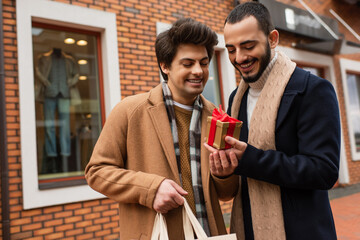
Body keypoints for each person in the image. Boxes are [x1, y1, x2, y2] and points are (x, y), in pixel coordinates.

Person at [204, 2, 340, 240]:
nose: (239, 57)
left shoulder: (312, 90)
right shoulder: (237, 97)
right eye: (231, 49)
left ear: (273, 39)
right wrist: (224, 170)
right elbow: (240, 174)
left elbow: (324, 171)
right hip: (250, 230)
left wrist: (249, 158)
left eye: (248, 46)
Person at [85, 18, 231, 239]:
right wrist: (151, 188)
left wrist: (224, 174)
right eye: (187, 63)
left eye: (203, 62)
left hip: (208, 233)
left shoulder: (217, 116)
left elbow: (226, 193)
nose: (198, 71)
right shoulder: (130, 110)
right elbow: (96, 172)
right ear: (165, 66)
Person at [35, 47, 80, 173]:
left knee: (64, 127)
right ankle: (51, 155)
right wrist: (46, 82)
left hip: (64, 94)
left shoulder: (69, 60)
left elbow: (76, 74)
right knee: (49, 125)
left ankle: (65, 154)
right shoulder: (44, 57)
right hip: (49, 94)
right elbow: (38, 70)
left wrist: (71, 82)